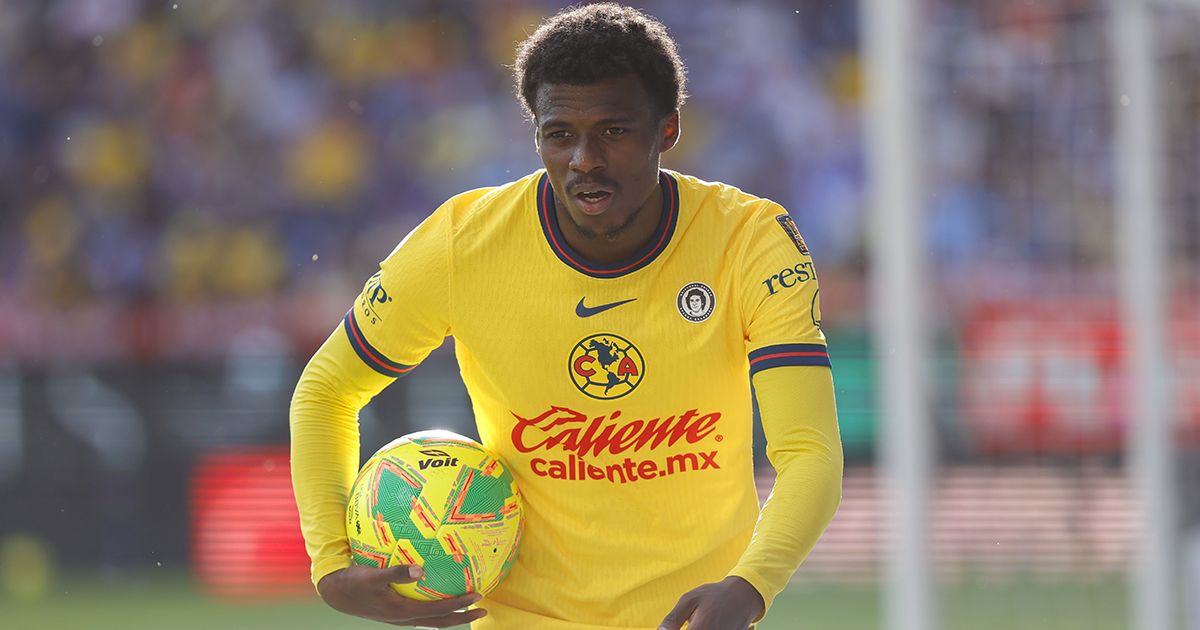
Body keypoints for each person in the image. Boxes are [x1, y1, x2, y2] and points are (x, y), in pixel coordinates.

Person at [290, 4, 842, 629]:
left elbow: (809, 451)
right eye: (560, 134)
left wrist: (751, 584)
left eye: (614, 131)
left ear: (667, 130)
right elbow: (326, 390)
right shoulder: (461, 243)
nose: (585, 159)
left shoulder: (750, 240)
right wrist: (330, 563)